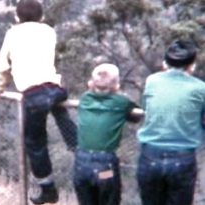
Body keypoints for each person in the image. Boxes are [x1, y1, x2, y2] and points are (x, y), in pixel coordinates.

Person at [0, 0, 77, 204]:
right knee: (62, 116)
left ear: (17, 18)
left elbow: (3, 66)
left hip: (33, 94)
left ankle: (48, 189)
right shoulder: (48, 31)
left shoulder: (12, 34)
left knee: (36, 143)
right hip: (55, 89)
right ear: (41, 16)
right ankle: (77, 146)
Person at [136, 39, 205, 205]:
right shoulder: (200, 88)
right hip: (183, 157)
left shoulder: (152, 81)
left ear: (165, 63)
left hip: (150, 154)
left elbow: (145, 106)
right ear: (192, 65)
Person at [73, 63, 143, 205]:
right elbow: (136, 117)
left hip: (81, 166)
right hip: (105, 169)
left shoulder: (85, 99)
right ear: (116, 86)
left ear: (90, 84)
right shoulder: (121, 102)